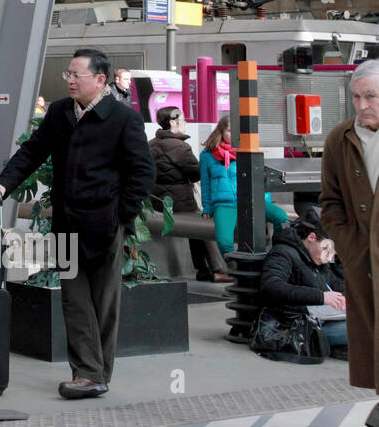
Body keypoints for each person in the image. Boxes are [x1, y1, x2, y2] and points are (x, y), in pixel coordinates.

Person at [0, 48, 155, 399]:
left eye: (77, 75)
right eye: (68, 75)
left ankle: (95, 373)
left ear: (100, 79)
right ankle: (88, 374)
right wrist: (4, 182)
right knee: (74, 301)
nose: (70, 80)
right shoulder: (60, 112)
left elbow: (143, 172)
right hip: (66, 222)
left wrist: (120, 215)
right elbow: (32, 152)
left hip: (105, 224)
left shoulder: (123, 119)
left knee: (104, 302)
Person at [320, 59, 379, 426]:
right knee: (373, 331)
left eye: (371, 96)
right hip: (365, 261)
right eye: (356, 96)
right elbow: (330, 202)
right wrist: (349, 243)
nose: (362, 105)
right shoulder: (340, 139)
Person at [149, 106, 230, 283]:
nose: (185, 122)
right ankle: (216, 268)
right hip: (178, 202)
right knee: (203, 225)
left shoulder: (151, 144)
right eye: (183, 119)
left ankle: (204, 269)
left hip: (156, 200)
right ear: (172, 122)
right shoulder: (180, 147)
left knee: (195, 227)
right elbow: (196, 173)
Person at [258, 209, 348, 357]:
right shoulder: (282, 252)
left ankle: (340, 348)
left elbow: (335, 283)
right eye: (327, 249)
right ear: (311, 237)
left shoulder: (318, 258)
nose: (329, 257)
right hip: (297, 327)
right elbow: (271, 286)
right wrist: (321, 297)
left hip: (321, 320)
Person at [199, 114, 289, 259]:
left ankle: (277, 257)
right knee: (224, 241)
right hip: (225, 203)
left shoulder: (249, 151)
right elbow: (205, 183)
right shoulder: (207, 155)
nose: (234, 135)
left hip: (252, 200)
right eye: (229, 131)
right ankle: (234, 269)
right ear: (221, 132)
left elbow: (260, 178)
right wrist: (207, 207)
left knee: (282, 218)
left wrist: (265, 200)